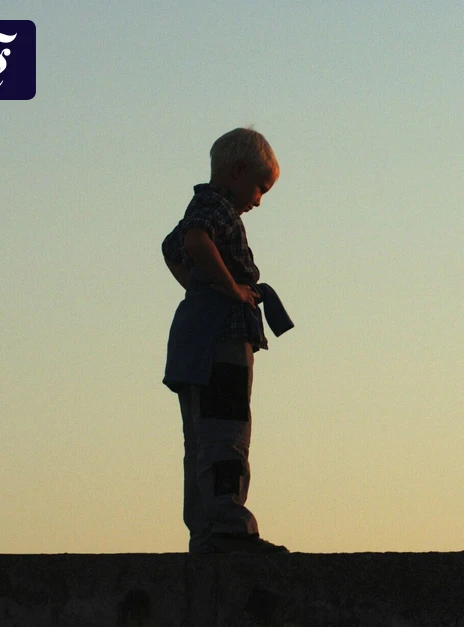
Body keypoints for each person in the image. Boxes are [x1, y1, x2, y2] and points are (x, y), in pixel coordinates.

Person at [161, 127, 292, 554]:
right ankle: (229, 531)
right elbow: (195, 242)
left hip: (197, 342)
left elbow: (171, 248)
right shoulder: (215, 208)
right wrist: (229, 289)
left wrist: (199, 286)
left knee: (200, 440)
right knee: (225, 433)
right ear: (236, 174)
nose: (258, 201)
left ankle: (206, 532)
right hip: (220, 345)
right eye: (259, 188)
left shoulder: (202, 207)